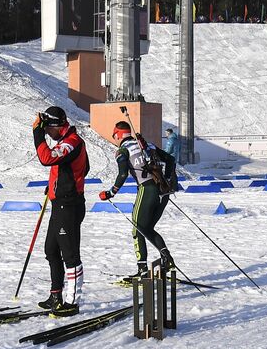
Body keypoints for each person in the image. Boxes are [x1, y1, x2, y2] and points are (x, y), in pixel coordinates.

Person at [100, 121, 177, 280]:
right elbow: (170, 160)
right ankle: (167, 259)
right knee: (147, 228)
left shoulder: (123, 150)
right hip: (163, 191)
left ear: (118, 134)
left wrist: (111, 192)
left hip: (146, 189)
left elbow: (122, 174)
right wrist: (167, 179)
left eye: (115, 135)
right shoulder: (147, 145)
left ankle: (142, 270)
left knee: (137, 229)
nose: (115, 138)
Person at [33, 106, 88, 317]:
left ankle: (72, 303)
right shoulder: (63, 142)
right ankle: (55, 295)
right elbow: (69, 167)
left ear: (57, 126)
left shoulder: (72, 142)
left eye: (47, 129)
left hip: (70, 205)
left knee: (70, 255)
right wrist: (56, 183)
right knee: (51, 251)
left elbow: (47, 158)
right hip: (60, 204)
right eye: (44, 130)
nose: (46, 133)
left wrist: (37, 133)